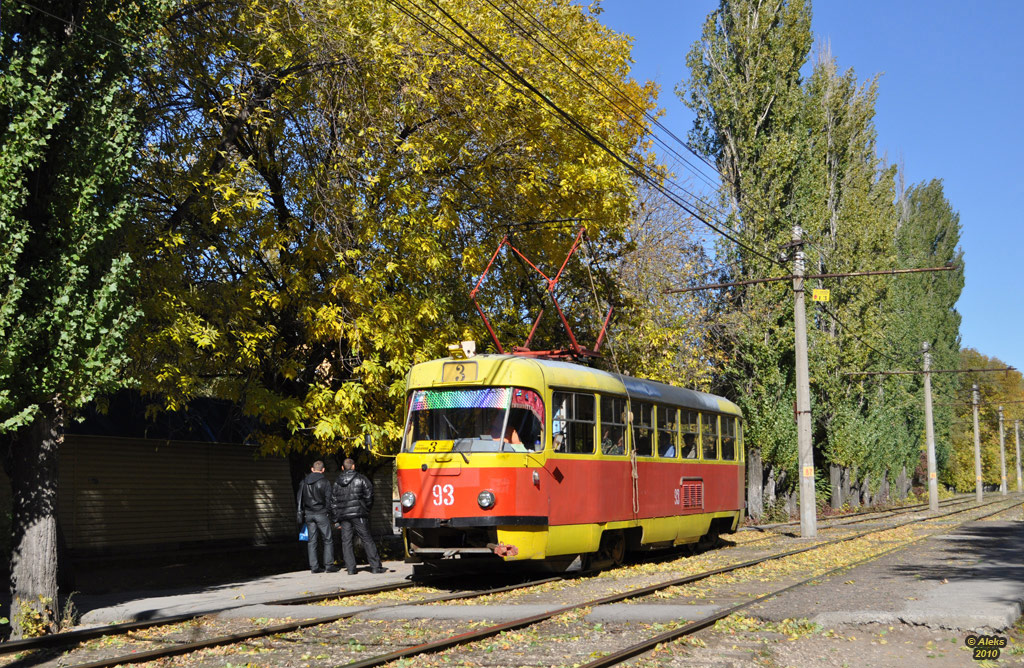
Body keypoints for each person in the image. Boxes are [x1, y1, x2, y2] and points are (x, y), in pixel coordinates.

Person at [330, 458, 386, 574]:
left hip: (344, 516)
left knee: (346, 541)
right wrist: (366, 509)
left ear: (342, 467)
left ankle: (351, 568)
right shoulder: (361, 479)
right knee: (366, 539)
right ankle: (375, 566)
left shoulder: (337, 482)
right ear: (354, 466)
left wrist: (336, 519)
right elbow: (369, 495)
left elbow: (333, 502)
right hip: (358, 513)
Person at [297, 460, 338, 573]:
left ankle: (314, 566)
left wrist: (300, 513)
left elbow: (299, 499)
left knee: (312, 540)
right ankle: (329, 565)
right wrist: (331, 515)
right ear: (323, 470)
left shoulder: (304, 482)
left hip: (309, 514)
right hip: (321, 513)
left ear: (312, 469)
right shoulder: (325, 482)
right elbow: (329, 500)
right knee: (327, 539)